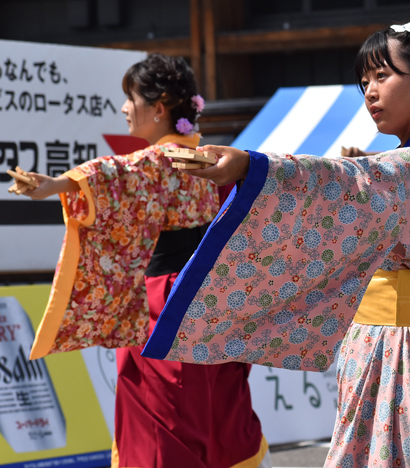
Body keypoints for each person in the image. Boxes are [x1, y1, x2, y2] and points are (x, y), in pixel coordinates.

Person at [141, 22, 410, 467]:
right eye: (364, 81)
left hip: (408, 356)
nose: (369, 91)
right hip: (396, 348)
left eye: (383, 76)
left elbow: (345, 181)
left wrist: (254, 168)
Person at [14, 54, 269, 468]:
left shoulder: (157, 161)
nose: (124, 108)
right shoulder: (212, 159)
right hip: (215, 299)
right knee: (216, 404)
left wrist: (55, 185)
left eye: (130, 98)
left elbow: (111, 174)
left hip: (165, 300)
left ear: (160, 106)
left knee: (161, 415)